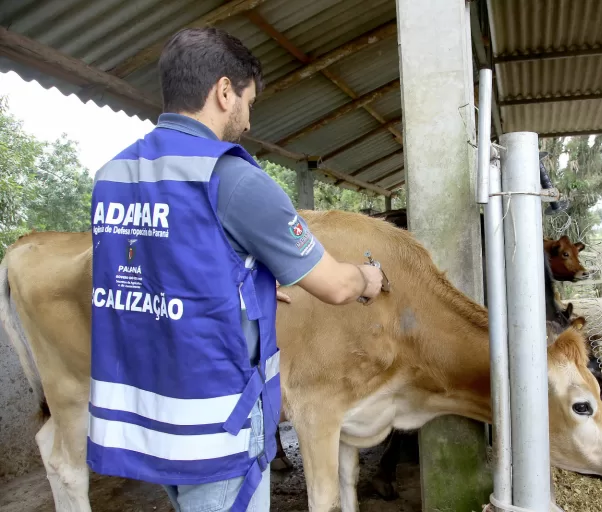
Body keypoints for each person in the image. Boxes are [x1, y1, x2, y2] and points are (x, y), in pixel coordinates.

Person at [87, 27, 385, 512]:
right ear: (225, 92)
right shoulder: (234, 178)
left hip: (148, 419)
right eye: (248, 101)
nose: (247, 119)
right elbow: (333, 286)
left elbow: (162, 267)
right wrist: (369, 279)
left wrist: (249, 286)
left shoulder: (115, 174)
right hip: (213, 428)